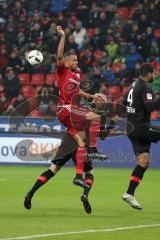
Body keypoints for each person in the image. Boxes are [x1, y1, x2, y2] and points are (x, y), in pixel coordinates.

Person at [24, 95, 116, 214]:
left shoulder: (81, 107)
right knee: (89, 172)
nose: (103, 103)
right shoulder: (100, 115)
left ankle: (30, 193)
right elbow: (103, 136)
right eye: (103, 100)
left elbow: (69, 121)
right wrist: (113, 122)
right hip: (81, 143)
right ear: (98, 100)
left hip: (69, 139)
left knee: (53, 169)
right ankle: (85, 195)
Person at [55, 26, 105, 188]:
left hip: (70, 114)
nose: (77, 61)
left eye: (77, 60)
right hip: (65, 109)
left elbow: (78, 90)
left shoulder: (75, 75)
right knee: (95, 117)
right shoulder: (62, 70)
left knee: (81, 143)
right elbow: (59, 55)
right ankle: (94, 149)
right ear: (67, 61)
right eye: (74, 59)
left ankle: (78, 176)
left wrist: (91, 96)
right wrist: (62, 36)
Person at [122, 63, 160, 210]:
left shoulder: (132, 87)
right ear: (149, 74)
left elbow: (127, 106)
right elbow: (150, 107)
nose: (155, 76)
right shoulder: (145, 87)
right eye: (154, 73)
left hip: (132, 129)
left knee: (143, 162)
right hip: (141, 128)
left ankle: (129, 193)